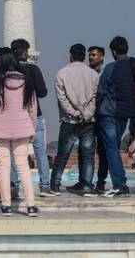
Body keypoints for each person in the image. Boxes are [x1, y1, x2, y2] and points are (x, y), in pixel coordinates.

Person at [0, 51, 39, 217]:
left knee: (4, 168)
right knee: (23, 167)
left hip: (0, 130)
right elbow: (32, 109)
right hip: (22, 128)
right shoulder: (27, 82)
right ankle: (31, 206)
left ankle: (6, 206)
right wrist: (32, 129)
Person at [50, 44, 100, 196]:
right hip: (88, 121)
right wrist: (86, 114)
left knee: (63, 153)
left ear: (70, 56)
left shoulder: (62, 73)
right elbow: (95, 98)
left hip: (69, 120)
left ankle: (55, 185)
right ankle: (86, 185)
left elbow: (62, 99)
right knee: (88, 154)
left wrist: (75, 114)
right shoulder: (93, 75)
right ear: (84, 57)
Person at [95, 36, 135, 198]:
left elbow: (101, 91)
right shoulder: (134, 67)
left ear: (113, 51)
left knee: (111, 148)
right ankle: (121, 182)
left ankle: (120, 184)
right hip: (125, 114)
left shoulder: (110, 68)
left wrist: (96, 108)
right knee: (115, 147)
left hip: (108, 113)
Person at [10, 39, 55, 197]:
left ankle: (14, 186)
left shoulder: (8, 71)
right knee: (40, 151)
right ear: (25, 52)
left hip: (15, 115)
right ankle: (44, 186)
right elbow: (42, 92)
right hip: (34, 114)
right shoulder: (33, 69)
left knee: (14, 152)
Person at [88, 45, 109, 193]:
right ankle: (85, 181)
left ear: (102, 57)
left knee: (103, 150)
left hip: (102, 115)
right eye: (90, 55)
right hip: (89, 116)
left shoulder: (107, 72)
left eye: (94, 55)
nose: (91, 57)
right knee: (86, 149)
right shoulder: (86, 73)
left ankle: (101, 181)